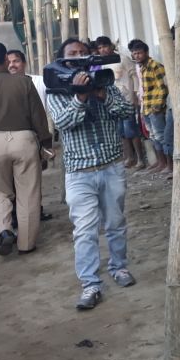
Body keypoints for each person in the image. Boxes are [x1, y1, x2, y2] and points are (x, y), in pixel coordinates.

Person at [46, 38, 137, 310]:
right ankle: (90, 284)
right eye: (72, 54)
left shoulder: (104, 83)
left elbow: (126, 111)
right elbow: (63, 123)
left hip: (111, 166)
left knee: (115, 222)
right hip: (79, 172)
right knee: (84, 230)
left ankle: (119, 267)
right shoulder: (56, 90)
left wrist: (101, 94)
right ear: (62, 60)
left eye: (83, 53)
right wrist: (80, 97)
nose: (78, 57)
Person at [0, 42, 51, 256]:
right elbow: (38, 116)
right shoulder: (24, 82)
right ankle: (26, 244)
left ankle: (4, 230)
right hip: (24, 140)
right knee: (28, 194)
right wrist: (46, 144)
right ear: (6, 59)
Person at [96, 36, 145, 169]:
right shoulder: (103, 63)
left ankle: (140, 159)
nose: (103, 50)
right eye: (100, 48)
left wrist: (135, 94)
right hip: (113, 101)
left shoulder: (122, 58)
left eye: (105, 46)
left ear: (110, 46)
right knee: (121, 131)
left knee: (131, 130)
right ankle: (129, 157)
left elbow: (134, 76)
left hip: (127, 98)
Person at [128, 39, 171, 173]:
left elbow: (163, 87)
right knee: (152, 135)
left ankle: (169, 165)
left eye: (139, 53)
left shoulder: (155, 66)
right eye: (135, 53)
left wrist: (157, 105)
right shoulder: (142, 67)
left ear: (146, 52)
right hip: (146, 106)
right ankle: (161, 162)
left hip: (155, 107)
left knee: (161, 136)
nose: (137, 56)